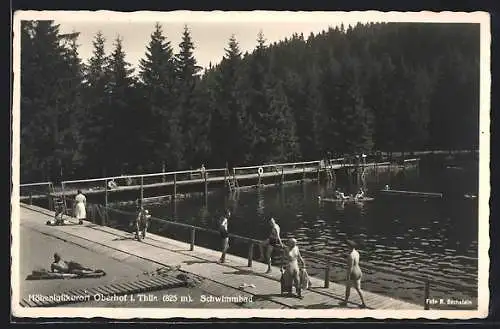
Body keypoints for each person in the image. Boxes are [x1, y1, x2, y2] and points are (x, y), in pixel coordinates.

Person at [339, 239, 367, 308]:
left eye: (347, 246)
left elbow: (350, 268)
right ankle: (363, 303)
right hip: (359, 271)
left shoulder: (350, 256)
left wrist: (348, 276)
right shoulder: (357, 252)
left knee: (348, 287)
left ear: (349, 247)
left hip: (353, 273)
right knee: (358, 289)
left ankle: (345, 302)